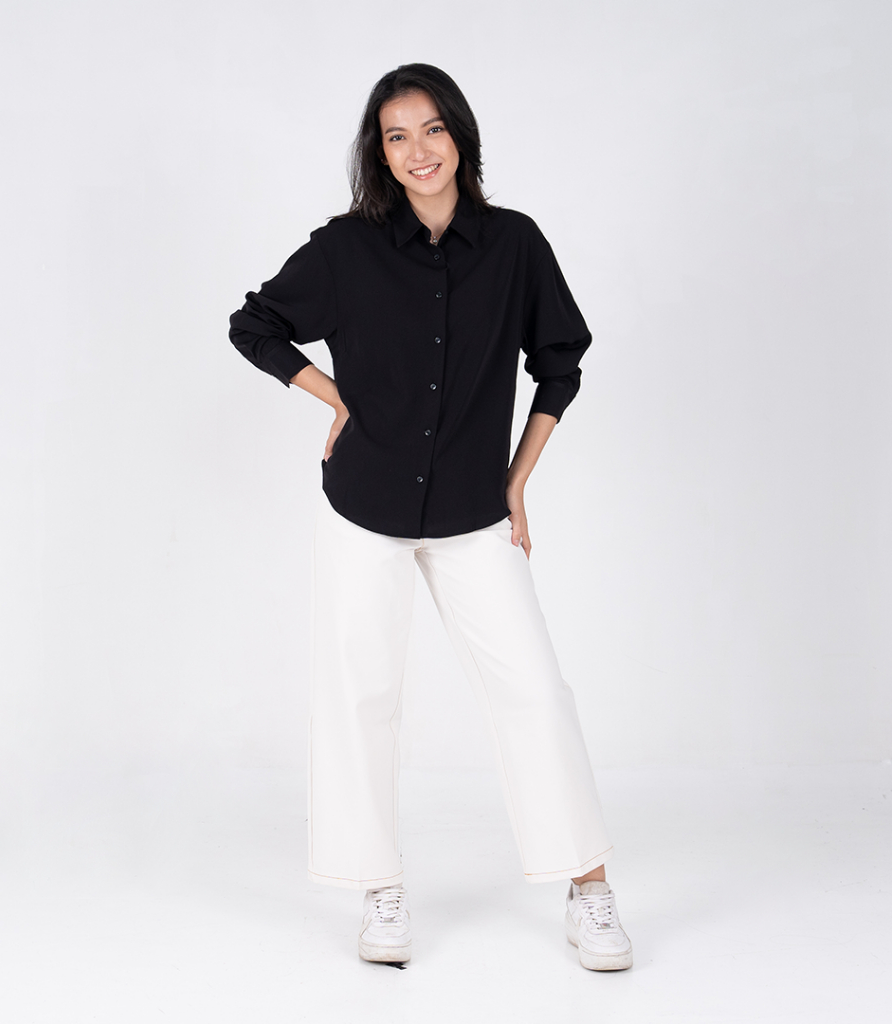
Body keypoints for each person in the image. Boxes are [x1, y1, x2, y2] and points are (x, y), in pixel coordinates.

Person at [228, 63, 632, 972]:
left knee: (535, 689)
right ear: (380, 153)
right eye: (397, 136)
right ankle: (379, 887)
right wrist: (336, 397)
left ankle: (590, 888)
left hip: (471, 507)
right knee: (361, 695)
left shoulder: (515, 244)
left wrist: (518, 477)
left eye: (433, 129)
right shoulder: (346, 249)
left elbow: (559, 362)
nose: (419, 151)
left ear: (461, 136)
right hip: (364, 504)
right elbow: (254, 324)